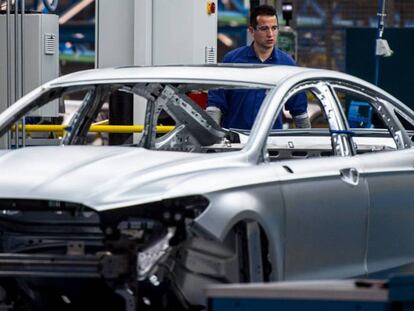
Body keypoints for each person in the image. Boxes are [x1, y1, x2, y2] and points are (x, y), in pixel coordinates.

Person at [207, 4, 310, 129]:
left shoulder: (287, 65)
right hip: (237, 140)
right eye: (264, 28)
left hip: (272, 141)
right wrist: (213, 141)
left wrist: (306, 142)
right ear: (252, 31)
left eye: (274, 28)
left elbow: (299, 111)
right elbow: (216, 104)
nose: (270, 34)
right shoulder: (232, 61)